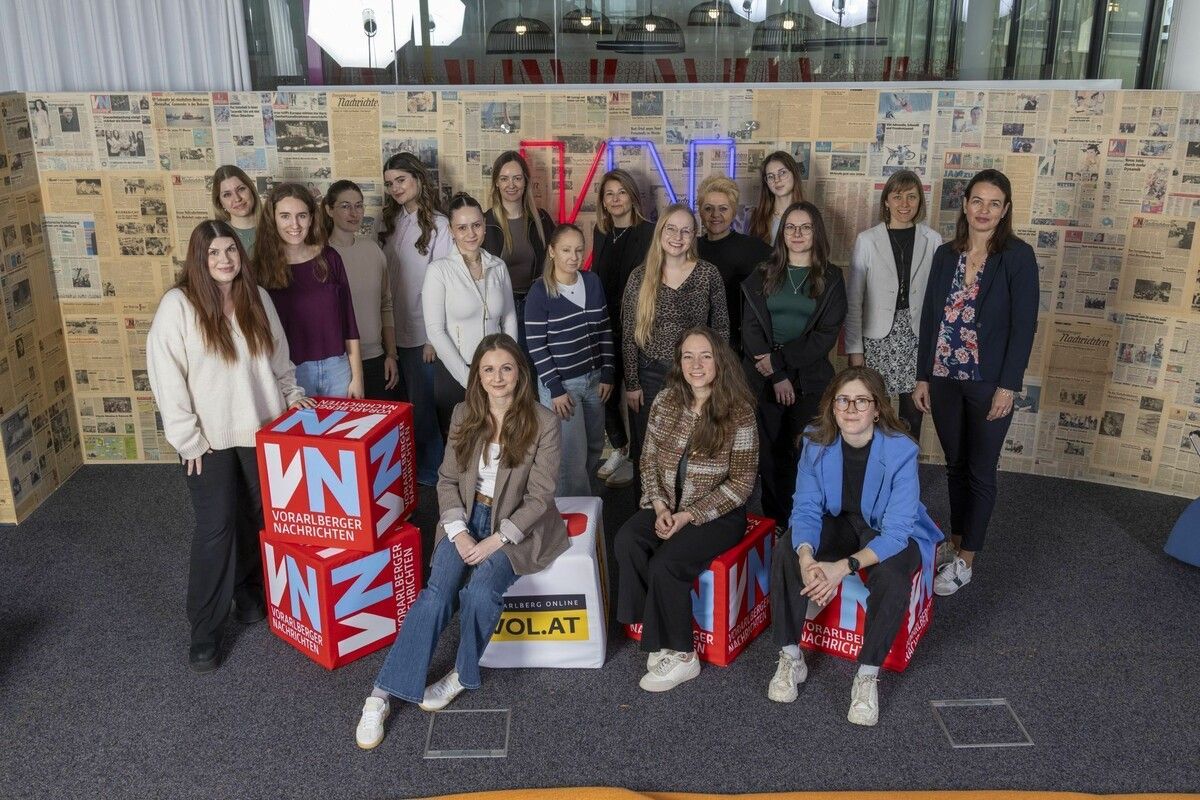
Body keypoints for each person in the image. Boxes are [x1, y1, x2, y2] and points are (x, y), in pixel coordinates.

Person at [355, 334, 567, 749]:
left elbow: (540, 497)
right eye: (488, 369)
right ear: (478, 376)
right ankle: (381, 696)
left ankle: (459, 675)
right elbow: (448, 480)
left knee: (479, 593)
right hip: (466, 517)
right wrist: (459, 531)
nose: (498, 377)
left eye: (506, 367)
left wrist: (494, 542)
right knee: (437, 593)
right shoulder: (464, 413)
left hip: (516, 524)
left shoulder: (543, 422)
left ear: (520, 372)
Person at [146, 220, 314, 672]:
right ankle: (204, 629)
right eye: (214, 254)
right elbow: (166, 378)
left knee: (262, 519)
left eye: (230, 252)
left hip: (263, 430)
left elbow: (278, 359)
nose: (224, 260)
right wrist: (188, 440)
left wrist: (294, 400)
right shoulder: (178, 306)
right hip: (209, 441)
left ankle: (247, 591)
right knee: (216, 528)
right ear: (199, 260)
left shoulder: (255, 297)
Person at [767, 366, 942, 726]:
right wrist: (805, 555)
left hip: (883, 528)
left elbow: (895, 533)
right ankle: (790, 656)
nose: (850, 409)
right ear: (832, 406)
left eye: (861, 401)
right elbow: (806, 507)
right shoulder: (815, 441)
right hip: (839, 520)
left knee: (893, 573)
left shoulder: (901, 452)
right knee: (786, 546)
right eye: (842, 400)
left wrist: (842, 567)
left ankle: (867, 674)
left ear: (877, 409)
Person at [913, 169, 1038, 595]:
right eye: (977, 201)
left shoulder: (1017, 257)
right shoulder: (946, 255)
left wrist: (1008, 385)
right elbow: (930, 318)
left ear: (1004, 212)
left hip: (988, 382)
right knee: (955, 465)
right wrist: (922, 375)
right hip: (945, 377)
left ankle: (968, 560)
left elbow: (1024, 326)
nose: (984, 210)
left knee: (981, 469)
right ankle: (956, 540)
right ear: (965, 204)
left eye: (994, 203)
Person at [615, 327, 757, 692]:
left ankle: (683, 655)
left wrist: (686, 517)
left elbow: (741, 484)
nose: (696, 364)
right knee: (628, 538)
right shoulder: (665, 401)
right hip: (669, 502)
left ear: (719, 361)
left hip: (718, 513)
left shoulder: (738, 411)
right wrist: (660, 505)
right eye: (688, 356)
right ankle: (655, 629)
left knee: (667, 564)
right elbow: (646, 459)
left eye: (705, 356)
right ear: (679, 363)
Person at [741, 201, 847, 525]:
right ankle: (777, 521)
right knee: (771, 456)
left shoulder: (831, 277)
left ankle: (805, 522)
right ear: (782, 233)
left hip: (810, 377)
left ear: (816, 233)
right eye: (790, 227)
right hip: (763, 379)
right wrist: (775, 375)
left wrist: (780, 365)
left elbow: (825, 336)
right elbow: (750, 326)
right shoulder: (763, 273)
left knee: (806, 455)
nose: (797, 233)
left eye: (805, 227)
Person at [622, 203, 729, 463]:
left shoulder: (708, 273)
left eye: (686, 231)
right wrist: (633, 383)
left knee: (690, 450)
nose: (677, 237)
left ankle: (684, 505)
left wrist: (714, 376)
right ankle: (646, 505)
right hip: (650, 374)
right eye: (671, 229)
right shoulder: (640, 277)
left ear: (694, 236)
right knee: (648, 449)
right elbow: (628, 334)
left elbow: (722, 329)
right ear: (660, 231)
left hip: (695, 374)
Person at [846, 170, 941, 439]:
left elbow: (936, 301)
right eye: (897, 196)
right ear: (886, 201)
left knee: (913, 414)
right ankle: (876, 472)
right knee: (876, 414)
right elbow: (854, 301)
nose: (904, 204)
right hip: (876, 340)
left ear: (920, 201)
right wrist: (855, 350)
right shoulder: (867, 240)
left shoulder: (932, 240)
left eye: (912, 197)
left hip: (916, 338)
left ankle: (905, 476)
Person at [524, 223, 615, 496]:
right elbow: (537, 347)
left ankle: (582, 500)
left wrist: (608, 373)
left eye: (578, 250)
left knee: (594, 447)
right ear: (552, 251)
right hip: (563, 387)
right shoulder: (540, 293)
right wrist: (556, 390)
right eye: (566, 250)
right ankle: (575, 514)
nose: (573, 256)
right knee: (570, 459)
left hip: (595, 380)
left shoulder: (592, 281)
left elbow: (605, 329)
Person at [378, 152, 452, 485]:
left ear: (418, 179)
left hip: (424, 335)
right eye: (390, 183)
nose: (395, 188)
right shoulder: (391, 223)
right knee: (405, 409)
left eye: (401, 180)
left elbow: (444, 286)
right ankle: (417, 475)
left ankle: (434, 480)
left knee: (424, 411)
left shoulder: (440, 225)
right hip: (394, 331)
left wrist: (433, 338)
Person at [255, 182, 363, 399]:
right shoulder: (260, 268)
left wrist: (357, 377)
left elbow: (349, 321)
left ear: (312, 217)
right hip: (291, 374)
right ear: (273, 218)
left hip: (338, 369)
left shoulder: (330, 258)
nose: (294, 224)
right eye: (285, 216)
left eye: (302, 215)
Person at [423, 193, 517, 440]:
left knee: (499, 443)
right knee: (462, 449)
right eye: (462, 227)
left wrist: (510, 364)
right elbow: (435, 330)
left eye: (476, 225)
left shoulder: (498, 266)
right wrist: (469, 379)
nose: (471, 233)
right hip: (457, 373)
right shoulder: (438, 271)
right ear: (452, 231)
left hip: (498, 375)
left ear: (484, 226)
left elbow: (508, 317)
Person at [591, 168, 655, 488]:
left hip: (638, 328)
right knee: (604, 392)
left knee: (636, 395)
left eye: (621, 193)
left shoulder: (649, 232)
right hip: (605, 326)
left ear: (632, 196)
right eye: (609, 194)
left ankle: (640, 460)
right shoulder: (601, 232)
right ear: (603, 201)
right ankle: (619, 446)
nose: (616, 200)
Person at [323, 179, 398, 400]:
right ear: (329, 209)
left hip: (376, 358)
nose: (353, 213)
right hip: (338, 362)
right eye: (345, 206)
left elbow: (386, 304)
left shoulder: (373, 250)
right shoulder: (320, 256)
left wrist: (391, 354)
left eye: (358, 205)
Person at [482, 151, 556, 350]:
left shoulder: (541, 220)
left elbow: (555, 265)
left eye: (517, 178)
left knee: (532, 365)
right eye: (504, 179)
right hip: (501, 308)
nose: (511, 185)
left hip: (536, 303)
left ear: (525, 181)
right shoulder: (485, 222)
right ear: (496, 183)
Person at [696, 175, 772, 353]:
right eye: (708, 208)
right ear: (700, 211)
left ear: (734, 211)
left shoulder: (753, 248)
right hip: (698, 343)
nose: (715, 215)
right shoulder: (690, 248)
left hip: (739, 347)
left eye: (723, 208)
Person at [749, 150, 805, 246]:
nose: (777, 180)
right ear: (766, 182)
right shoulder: (757, 216)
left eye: (782, 173)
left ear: (794, 174)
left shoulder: (809, 216)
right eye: (770, 176)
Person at [211, 165, 261, 256]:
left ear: (251, 190)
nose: (237, 199)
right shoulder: (215, 235)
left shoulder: (274, 227)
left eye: (241, 189)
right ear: (220, 202)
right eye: (227, 194)